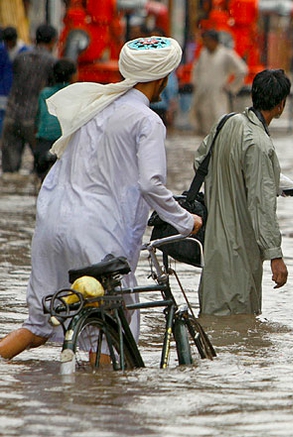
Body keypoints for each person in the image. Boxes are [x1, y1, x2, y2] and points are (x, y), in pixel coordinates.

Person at [0, 36, 202, 360]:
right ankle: (97, 405)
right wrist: (185, 220)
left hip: (52, 222)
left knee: (37, 326)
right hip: (96, 232)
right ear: (162, 79)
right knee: (110, 337)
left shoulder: (96, 105)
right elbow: (151, 184)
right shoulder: (147, 120)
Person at [195, 69, 291, 316]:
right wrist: (275, 255)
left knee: (212, 323)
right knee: (239, 327)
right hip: (240, 254)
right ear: (281, 105)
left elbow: (200, 162)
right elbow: (261, 204)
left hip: (213, 247)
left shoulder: (226, 122)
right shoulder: (259, 143)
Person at [1, 23, 56, 174]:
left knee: (9, 171)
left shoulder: (20, 58)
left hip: (12, 114)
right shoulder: (51, 62)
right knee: (39, 167)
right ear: (52, 40)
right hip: (34, 119)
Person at [190, 29, 248, 135]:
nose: (206, 43)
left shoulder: (226, 54)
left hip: (218, 95)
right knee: (202, 127)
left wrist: (232, 87)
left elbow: (242, 70)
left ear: (215, 41)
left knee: (219, 126)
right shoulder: (203, 53)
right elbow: (196, 71)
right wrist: (196, 85)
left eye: (208, 41)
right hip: (202, 96)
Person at [34, 59, 78, 180]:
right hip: (65, 140)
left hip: (44, 140)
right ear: (73, 75)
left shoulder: (44, 93)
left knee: (42, 178)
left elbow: (38, 118)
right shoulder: (75, 93)